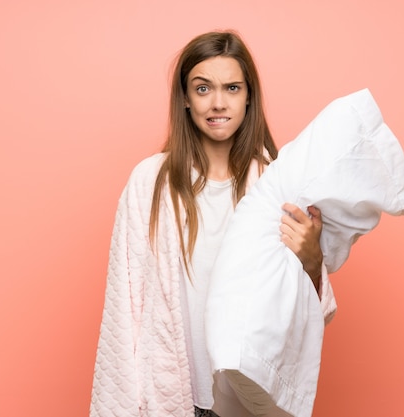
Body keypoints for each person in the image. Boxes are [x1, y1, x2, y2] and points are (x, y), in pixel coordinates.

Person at [90, 30, 325, 417]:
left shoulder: (276, 183)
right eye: (203, 89)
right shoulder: (149, 183)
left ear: (249, 96)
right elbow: (123, 302)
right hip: (173, 393)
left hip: (250, 394)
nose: (218, 103)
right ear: (185, 97)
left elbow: (306, 307)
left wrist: (313, 260)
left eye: (232, 88)